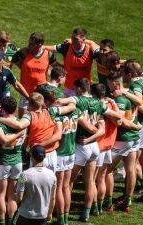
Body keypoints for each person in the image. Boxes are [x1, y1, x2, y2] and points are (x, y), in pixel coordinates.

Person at [58, 78, 107, 222]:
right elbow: (101, 129)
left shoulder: (78, 100)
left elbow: (62, 102)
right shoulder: (99, 103)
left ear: (79, 89)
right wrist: (91, 139)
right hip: (94, 147)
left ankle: (63, 213)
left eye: (75, 88)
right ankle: (86, 213)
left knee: (68, 183)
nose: (74, 91)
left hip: (81, 146)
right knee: (90, 181)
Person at [104, 72, 143, 212]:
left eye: (109, 83)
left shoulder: (121, 99)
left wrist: (108, 110)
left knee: (106, 171)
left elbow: (119, 121)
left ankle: (107, 203)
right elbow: (141, 103)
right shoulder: (130, 93)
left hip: (122, 139)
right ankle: (127, 202)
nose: (108, 86)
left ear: (115, 83)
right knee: (130, 169)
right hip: (134, 139)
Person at [42, 90, 80, 225]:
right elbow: (73, 106)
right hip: (71, 152)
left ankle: (60, 219)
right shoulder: (75, 111)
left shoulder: (53, 113)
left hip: (59, 153)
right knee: (67, 186)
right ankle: (65, 217)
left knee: (58, 188)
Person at [121, 60, 143, 205]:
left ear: (130, 74)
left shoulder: (134, 85)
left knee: (133, 164)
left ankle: (129, 195)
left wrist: (126, 94)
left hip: (141, 124)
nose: (122, 76)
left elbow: (140, 103)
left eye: (124, 73)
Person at [0, 96, 27, 225]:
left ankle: (1, 222)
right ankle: (11, 220)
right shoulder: (22, 124)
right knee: (12, 195)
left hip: (1, 162)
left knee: (0, 195)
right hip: (17, 162)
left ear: (3, 109)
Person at [11, 32, 58, 117]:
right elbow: (14, 60)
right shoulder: (23, 52)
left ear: (40, 45)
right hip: (26, 92)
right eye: (29, 43)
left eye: (32, 44)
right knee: (23, 118)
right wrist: (24, 68)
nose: (29, 46)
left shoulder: (48, 54)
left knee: (41, 116)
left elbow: (58, 68)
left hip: (42, 92)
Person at [44, 28, 98, 97]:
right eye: (72, 38)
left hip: (85, 90)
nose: (72, 41)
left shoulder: (90, 50)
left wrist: (90, 42)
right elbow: (48, 48)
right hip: (69, 89)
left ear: (84, 40)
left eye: (75, 39)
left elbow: (102, 52)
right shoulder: (66, 47)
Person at [91, 83, 119, 215]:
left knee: (94, 179)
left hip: (99, 145)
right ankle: (106, 204)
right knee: (106, 174)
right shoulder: (112, 105)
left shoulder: (95, 105)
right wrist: (113, 102)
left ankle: (95, 207)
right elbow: (119, 119)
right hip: (109, 145)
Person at [13, 145, 56, 225]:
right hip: (42, 216)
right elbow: (52, 198)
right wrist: (49, 214)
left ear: (31, 156)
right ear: (44, 156)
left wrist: (14, 195)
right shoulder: (52, 175)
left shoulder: (24, 175)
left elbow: (19, 198)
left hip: (25, 215)